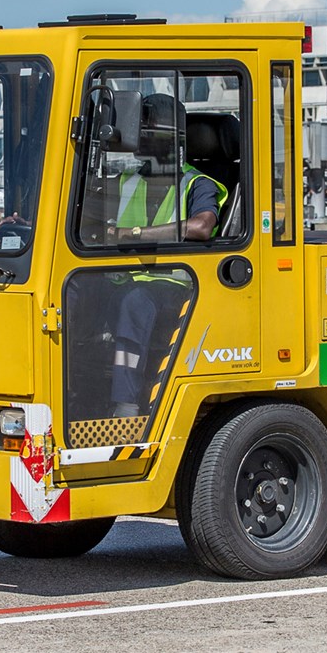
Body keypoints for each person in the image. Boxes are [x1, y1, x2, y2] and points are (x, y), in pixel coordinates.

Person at [104, 93, 224, 419]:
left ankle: (126, 407)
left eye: (144, 134)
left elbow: (201, 226)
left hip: (174, 283)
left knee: (135, 301)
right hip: (126, 277)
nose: (137, 143)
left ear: (169, 137)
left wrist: (134, 234)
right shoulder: (128, 181)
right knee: (70, 294)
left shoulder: (197, 183)